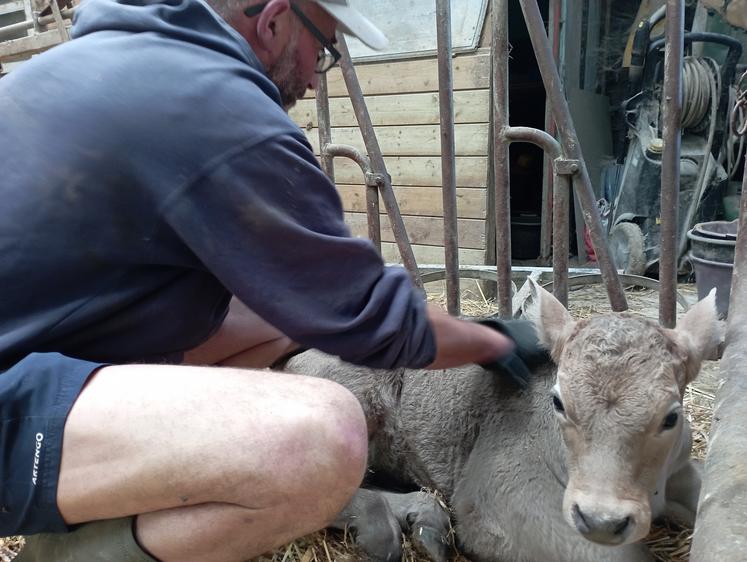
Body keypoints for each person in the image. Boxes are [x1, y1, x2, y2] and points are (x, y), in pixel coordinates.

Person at [0, 0, 545, 560]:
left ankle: (105, 488)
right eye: (324, 50)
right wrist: (495, 339)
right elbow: (366, 316)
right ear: (275, 19)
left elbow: (303, 299)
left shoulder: (105, 60)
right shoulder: (214, 106)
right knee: (324, 439)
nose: (313, 77)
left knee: (267, 322)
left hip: (31, 351)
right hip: (11, 399)